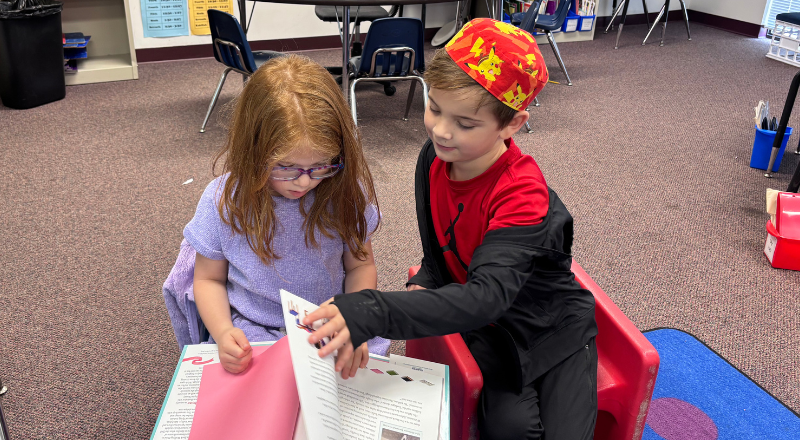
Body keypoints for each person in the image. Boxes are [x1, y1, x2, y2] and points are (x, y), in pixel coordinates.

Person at [303, 19, 598, 440]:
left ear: (512, 124)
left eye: (465, 123)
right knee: (509, 429)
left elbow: (487, 296)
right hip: (491, 330)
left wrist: (373, 310)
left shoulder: (521, 193)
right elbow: (442, 242)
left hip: (549, 325)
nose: (441, 130)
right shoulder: (435, 157)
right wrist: (429, 275)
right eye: (435, 108)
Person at [170, 55, 389, 375]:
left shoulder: (343, 191)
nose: (304, 182)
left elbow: (361, 266)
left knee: (368, 378)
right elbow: (208, 279)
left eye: (321, 165)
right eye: (286, 167)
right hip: (256, 330)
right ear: (252, 151)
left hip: (332, 325)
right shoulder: (223, 200)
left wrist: (355, 319)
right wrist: (223, 332)